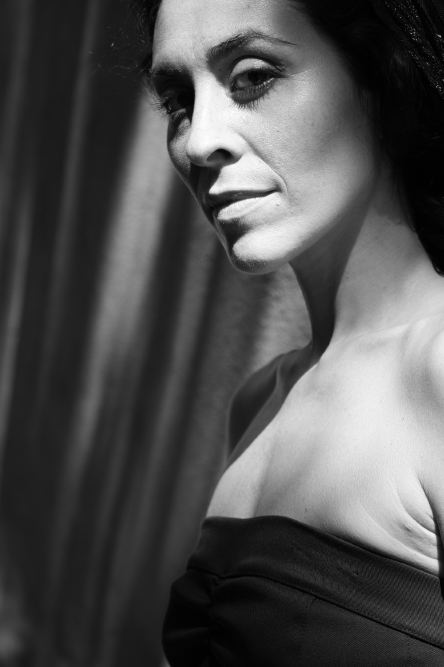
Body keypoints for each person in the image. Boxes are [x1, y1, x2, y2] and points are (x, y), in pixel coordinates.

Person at [139, 0, 444, 663]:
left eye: (251, 76)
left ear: (379, 76)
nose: (198, 141)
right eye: (179, 101)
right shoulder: (260, 399)